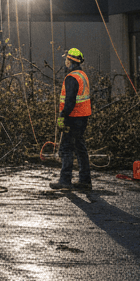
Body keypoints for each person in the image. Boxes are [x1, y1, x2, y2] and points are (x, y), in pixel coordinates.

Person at [50, 48, 93, 190]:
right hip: (83, 117)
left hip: (73, 117)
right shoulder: (82, 75)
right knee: (80, 147)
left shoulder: (71, 78)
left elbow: (69, 101)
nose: (65, 62)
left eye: (66, 59)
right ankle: (85, 180)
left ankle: (65, 181)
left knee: (66, 148)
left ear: (70, 61)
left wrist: (62, 117)